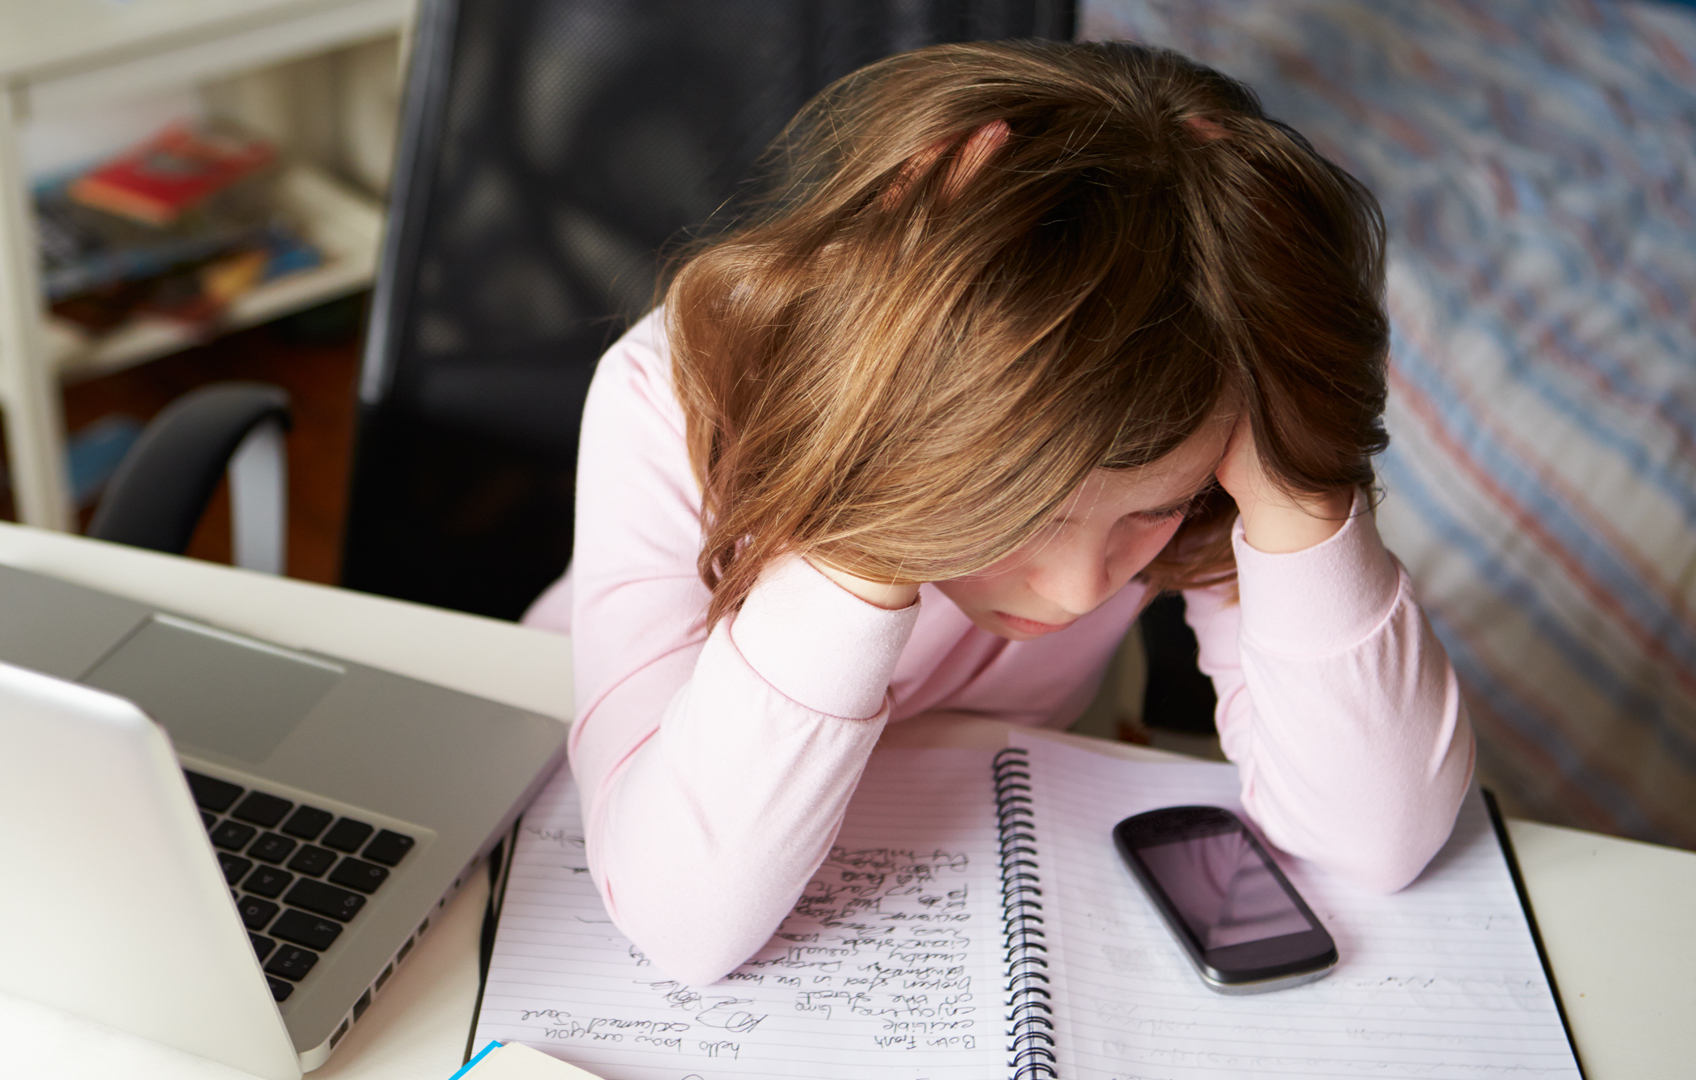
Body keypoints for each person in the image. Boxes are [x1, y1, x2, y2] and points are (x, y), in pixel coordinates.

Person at [522, 39, 1476, 986]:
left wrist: (1297, 484)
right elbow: (684, 923)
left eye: (1154, 510)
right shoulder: (667, 396)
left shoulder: (1202, 414)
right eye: (1024, 515)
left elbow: (1376, 841)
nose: (1078, 592)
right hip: (588, 773)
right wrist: (885, 448)